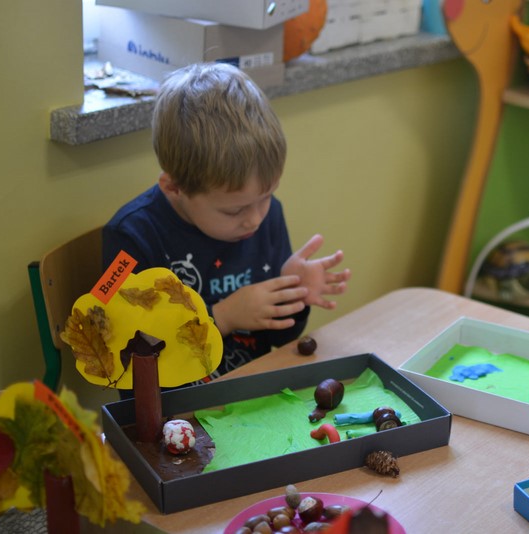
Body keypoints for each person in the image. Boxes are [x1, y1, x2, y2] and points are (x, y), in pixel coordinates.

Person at [103, 63, 351, 387]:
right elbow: (122, 352)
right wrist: (222, 317)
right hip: (173, 409)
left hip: (251, 392)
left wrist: (294, 295)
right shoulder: (132, 236)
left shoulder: (267, 216)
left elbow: (280, 339)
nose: (256, 218)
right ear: (174, 187)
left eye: (266, 197)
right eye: (234, 211)